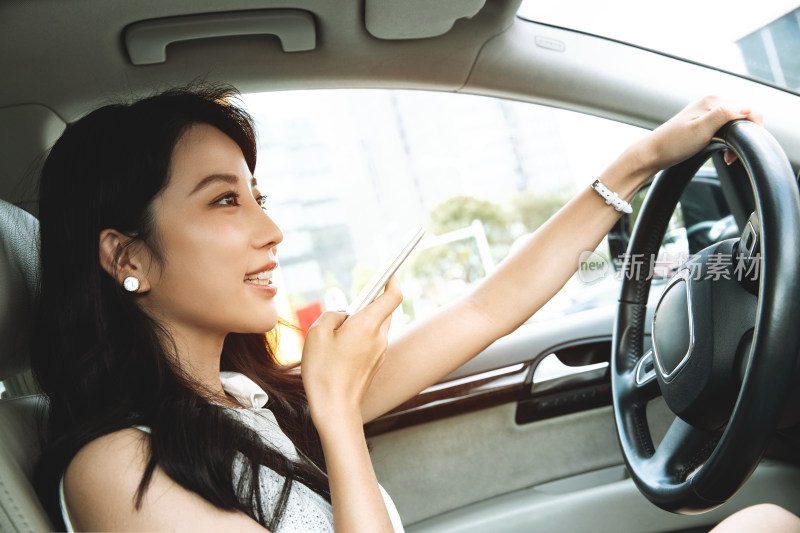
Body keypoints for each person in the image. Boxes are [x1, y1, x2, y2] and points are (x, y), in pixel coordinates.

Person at [29, 84, 799, 532]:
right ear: (125, 256)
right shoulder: (114, 467)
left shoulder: (248, 403)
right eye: (225, 200)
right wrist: (335, 410)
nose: (272, 230)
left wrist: (635, 164)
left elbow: (485, 309)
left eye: (258, 196)